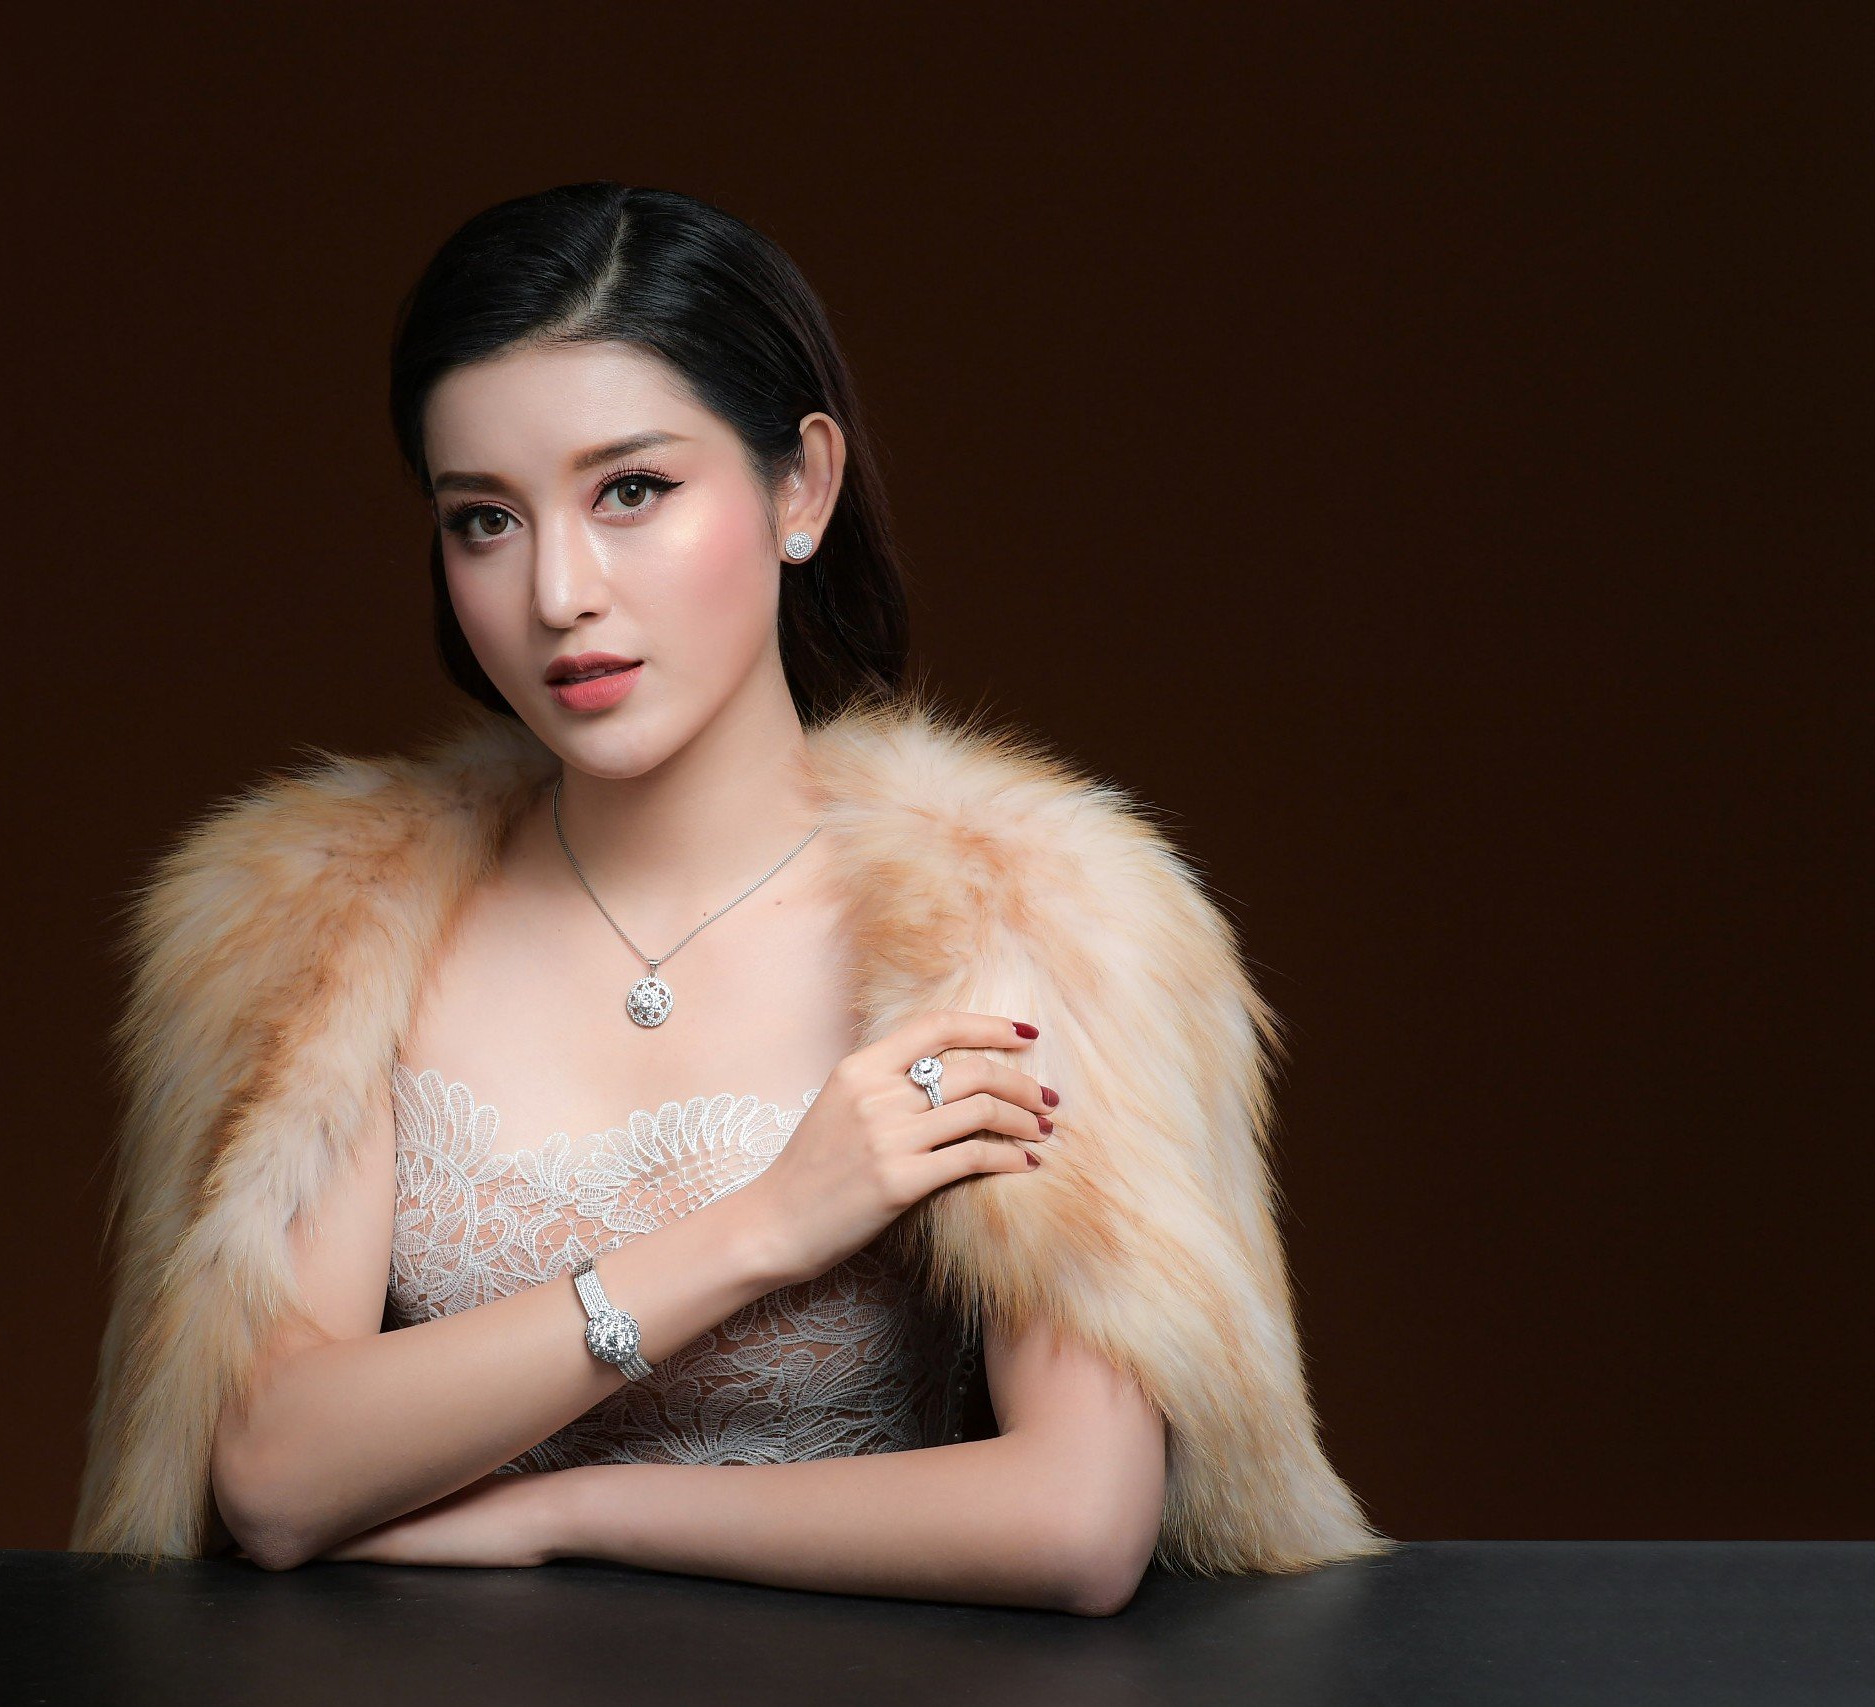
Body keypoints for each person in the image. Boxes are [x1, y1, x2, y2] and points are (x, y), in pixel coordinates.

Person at [69, 182, 1391, 1612]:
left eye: (631, 490)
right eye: (485, 520)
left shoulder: (1012, 915)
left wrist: (568, 1514)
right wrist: (760, 1232)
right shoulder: (336, 928)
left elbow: (1075, 1522)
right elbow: (271, 1472)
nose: (559, 592)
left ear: (800, 488)